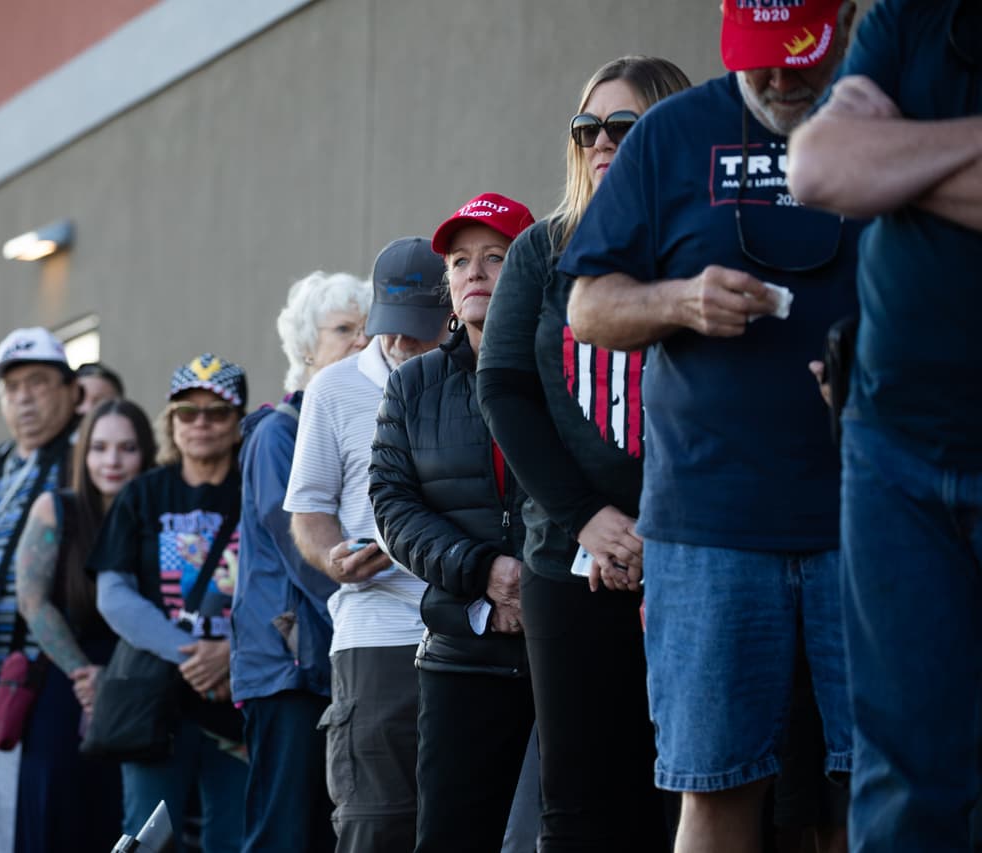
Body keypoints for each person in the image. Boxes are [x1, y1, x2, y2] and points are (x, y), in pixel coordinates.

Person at [558, 2, 863, 849]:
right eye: (757, 56)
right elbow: (588, 306)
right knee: (715, 783)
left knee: (881, 781)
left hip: (871, 513)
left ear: (844, 23)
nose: (776, 77)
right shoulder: (671, 135)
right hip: (708, 523)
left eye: (798, 55)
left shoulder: (892, 118)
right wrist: (680, 300)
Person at [477, 56, 690, 851]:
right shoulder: (542, 250)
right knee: (579, 802)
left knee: (693, 783)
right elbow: (504, 391)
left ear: (668, 129)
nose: (600, 142)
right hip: (566, 560)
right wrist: (590, 520)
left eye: (622, 126)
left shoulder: (703, 239)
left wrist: (654, 531)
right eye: (586, 128)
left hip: (693, 550)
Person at [787, 2, 982, 849]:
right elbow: (818, 165)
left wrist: (898, 159)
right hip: (892, 444)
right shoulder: (911, 16)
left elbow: (858, 166)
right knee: (902, 773)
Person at [368, 193, 537, 853]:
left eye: (495, 257)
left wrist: (534, 582)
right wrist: (484, 571)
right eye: (461, 261)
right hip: (462, 653)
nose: (475, 272)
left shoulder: (567, 368)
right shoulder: (414, 385)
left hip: (565, 645)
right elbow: (392, 504)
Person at [283, 236, 448, 853]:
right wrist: (334, 558)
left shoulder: (477, 375)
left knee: (462, 819)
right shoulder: (333, 388)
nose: (401, 341)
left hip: (469, 622)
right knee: (374, 823)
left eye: (419, 328)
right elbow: (309, 512)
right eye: (390, 324)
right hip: (374, 632)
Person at [231, 270, 371, 853]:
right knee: (284, 832)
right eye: (343, 329)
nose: (361, 340)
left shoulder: (350, 424)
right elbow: (302, 550)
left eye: (368, 329)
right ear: (306, 347)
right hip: (288, 666)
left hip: (327, 658)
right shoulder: (278, 434)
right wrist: (369, 622)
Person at [90, 354, 250, 851]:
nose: (200, 423)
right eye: (187, 411)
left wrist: (232, 654)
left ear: (238, 422)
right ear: (171, 421)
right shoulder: (141, 494)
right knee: (146, 840)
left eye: (216, 412)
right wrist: (194, 654)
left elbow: (287, 589)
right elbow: (113, 595)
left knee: (236, 840)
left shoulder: (259, 489)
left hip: (238, 704)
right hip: (156, 705)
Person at [0, 327, 81, 853]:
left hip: (53, 678)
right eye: (12, 387)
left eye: (38, 382)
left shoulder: (83, 455)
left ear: (71, 390)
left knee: (45, 825)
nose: (23, 397)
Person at [13, 398, 157, 852]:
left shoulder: (158, 516)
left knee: (123, 822)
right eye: (99, 448)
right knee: (60, 819)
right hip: (68, 686)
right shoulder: (56, 509)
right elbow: (32, 601)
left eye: (127, 448)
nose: (112, 461)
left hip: (139, 687)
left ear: (146, 453)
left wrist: (111, 682)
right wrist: (86, 678)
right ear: (83, 454)